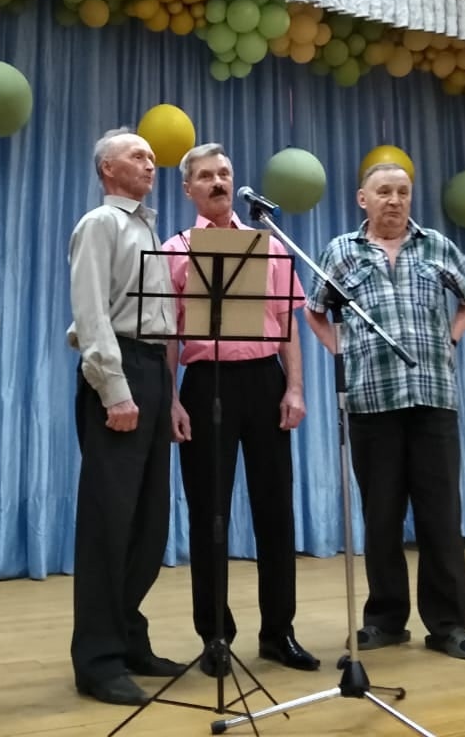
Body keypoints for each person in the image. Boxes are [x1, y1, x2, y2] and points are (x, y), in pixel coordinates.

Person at [304, 162, 465, 661]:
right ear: (362, 199)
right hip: (372, 401)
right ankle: (385, 620)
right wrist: (340, 349)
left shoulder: (436, 246)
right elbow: (314, 309)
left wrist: (452, 337)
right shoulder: (341, 251)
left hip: (433, 398)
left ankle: (448, 625)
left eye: (403, 191)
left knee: (440, 516)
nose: (395, 200)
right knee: (381, 516)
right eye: (384, 191)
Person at [163, 143, 319, 677]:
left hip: (263, 380)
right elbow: (167, 334)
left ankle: (279, 632)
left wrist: (294, 388)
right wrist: (171, 398)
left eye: (225, 173)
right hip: (204, 382)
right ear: (188, 188)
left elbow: (287, 323)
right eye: (206, 175)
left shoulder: (269, 245)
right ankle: (215, 635)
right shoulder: (176, 249)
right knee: (209, 514)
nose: (218, 182)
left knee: (276, 510)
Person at [67, 128, 185, 706]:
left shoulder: (148, 228)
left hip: (153, 373)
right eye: (138, 155)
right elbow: (91, 314)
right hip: (121, 372)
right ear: (108, 169)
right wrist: (114, 390)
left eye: (152, 157)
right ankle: (97, 660)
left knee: (147, 522)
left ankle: (129, 636)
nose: (150, 163)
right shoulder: (101, 224)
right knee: (109, 525)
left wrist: (170, 394)